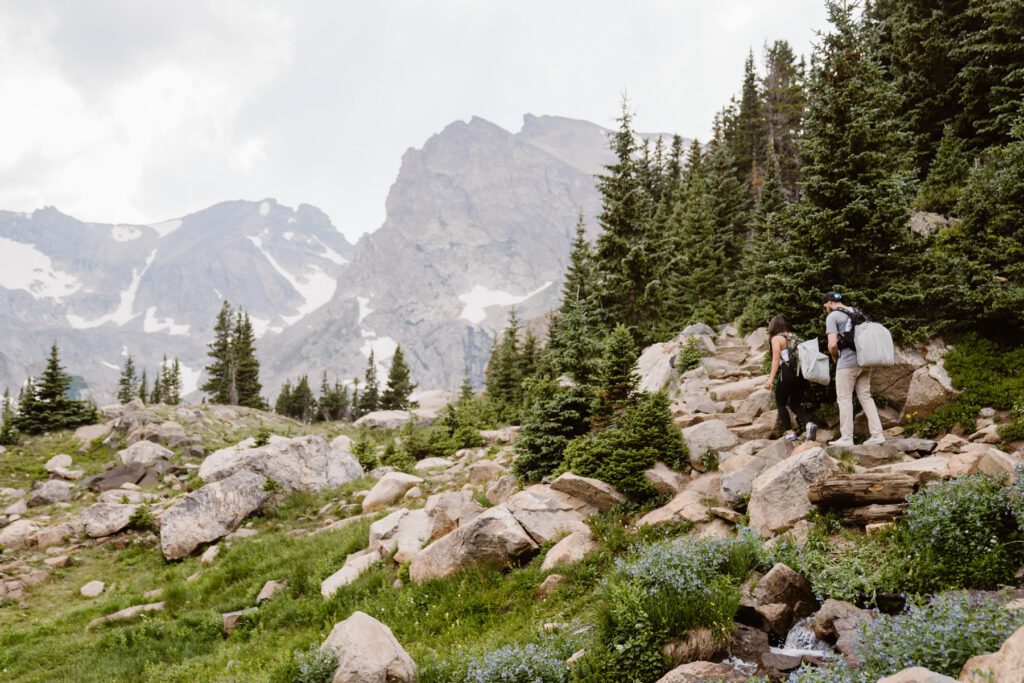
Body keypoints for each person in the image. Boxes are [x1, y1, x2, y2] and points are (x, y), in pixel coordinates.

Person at [822, 291, 885, 447]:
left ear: (830, 303)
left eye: (825, 305)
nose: (825, 308)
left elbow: (832, 344)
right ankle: (877, 435)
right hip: (865, 361)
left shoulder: (833, 316)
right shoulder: (857, 312)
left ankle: (846, 438)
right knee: (866, 396)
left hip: (847, 363)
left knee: (844, 399)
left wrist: (835, 357)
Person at [764, 315, 817, 442]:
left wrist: (770, 379)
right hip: (801, 374)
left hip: (787, 372)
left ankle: (790, 432)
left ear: (773, 326)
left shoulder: (776, 338)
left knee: (781, 403)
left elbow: (776, 359)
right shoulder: (794, 336)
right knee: (794, 403)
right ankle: (809, 424)